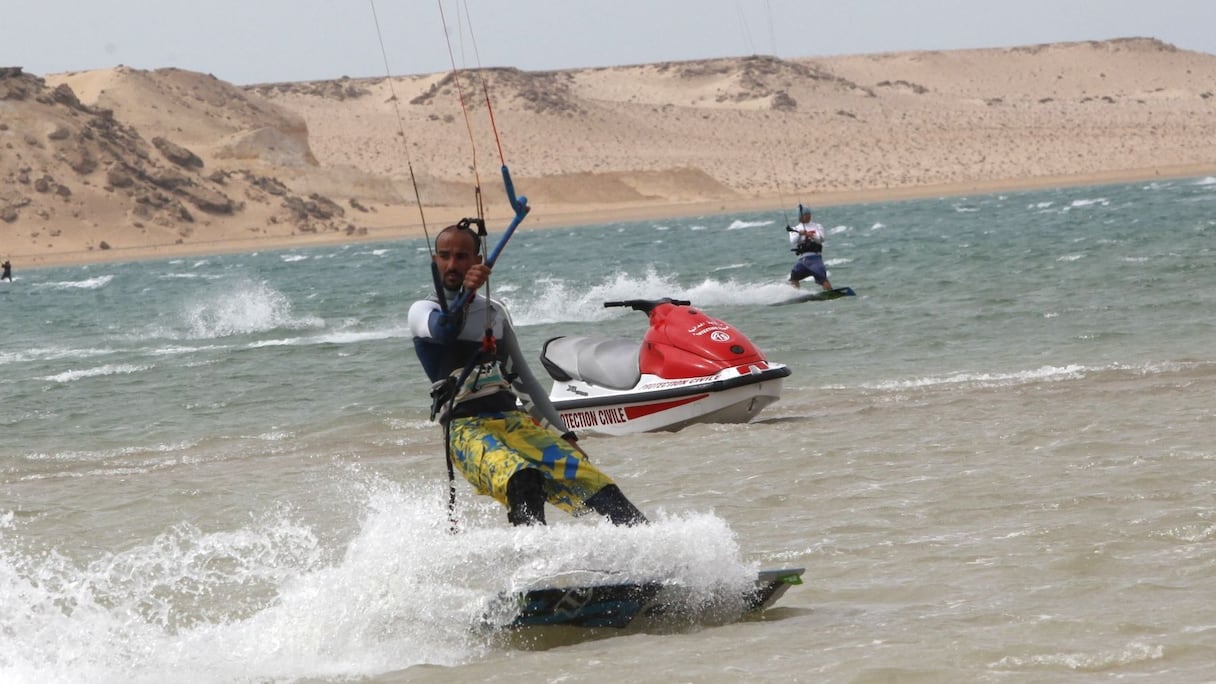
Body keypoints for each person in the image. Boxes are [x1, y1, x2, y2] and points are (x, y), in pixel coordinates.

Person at [407, 222, 648, 527]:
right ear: (434, 260)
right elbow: (445, 331)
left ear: (477, 262)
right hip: (466, 429)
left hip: (514, 421)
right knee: (523, 478)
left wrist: (565, 435)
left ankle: (656, 550)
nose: (452, 264)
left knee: (595, 481)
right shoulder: (422, 311)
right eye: (445, 256)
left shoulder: (494, 312)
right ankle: (533, 561)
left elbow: (524, 379)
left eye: (461, 256)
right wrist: (468, 292)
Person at [786, 205, 832, 290]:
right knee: (794, 277)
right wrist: (800, 234)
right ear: (800, 216)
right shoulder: (795, 229)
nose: (808, 216)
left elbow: (821, 239)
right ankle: (796, 294)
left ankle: (830, 291)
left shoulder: (817, 226)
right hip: (803, 260)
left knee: (822, 277)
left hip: (815, 258)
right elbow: (793, 241)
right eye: (805, 214)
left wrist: (810, 235)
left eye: (809, 214)